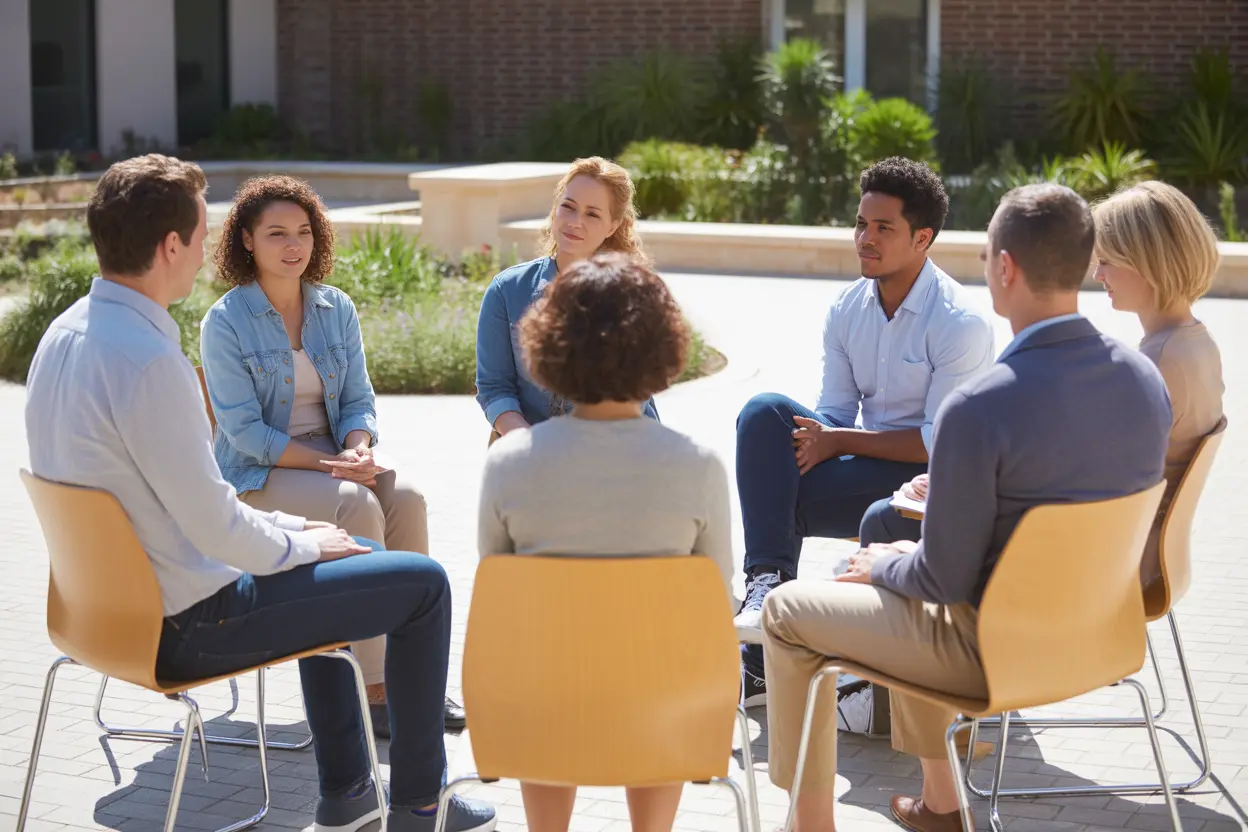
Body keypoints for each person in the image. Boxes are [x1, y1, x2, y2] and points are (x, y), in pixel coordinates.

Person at [24, 154, 496, 832]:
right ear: (171, 245)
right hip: (187, 623)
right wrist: (303, 539)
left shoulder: (64, 337)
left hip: (99, 619)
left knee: (333, 566)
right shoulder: (150, 362)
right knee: (422, 584)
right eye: (202, 228)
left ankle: (351, 795)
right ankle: (423, 805)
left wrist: (306, 540)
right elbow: (219, 529)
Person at [760, 184, 1171, 832]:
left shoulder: (980, 408)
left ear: (1004, 267)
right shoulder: (1145, 379)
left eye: (985, 257)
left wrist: (884, 564)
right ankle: (941, 804)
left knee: (788, 611)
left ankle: (809, 824)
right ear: (1086, 265)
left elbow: (941, 581)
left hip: (994, 651)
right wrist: (907, 559)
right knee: (903, 569)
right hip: (1102, 637)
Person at [199, 175, 464, 736]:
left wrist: (357, 448)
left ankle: (414, 677)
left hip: (334, 459)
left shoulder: (334, 307)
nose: (293, 245)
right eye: (276, 234)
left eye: (302, 231)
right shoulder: (225, 321)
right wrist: (333, 467)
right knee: (355, 506)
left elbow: (359, 401)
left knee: (408, 497)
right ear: (246, 240)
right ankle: (373, 689)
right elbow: (244, 433)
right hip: (258, 474)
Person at [478, 253, 734, 832]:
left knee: (540, 663)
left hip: (542, 711)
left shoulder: (509, 464)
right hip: (666, 715)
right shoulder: (698, 465)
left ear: (549, 342)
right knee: (667, 666)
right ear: (663, 344)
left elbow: (501, 599)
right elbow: (716, 601)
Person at [733, 157, 995, 706]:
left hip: (928, 490)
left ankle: (759, 662)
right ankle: (766, 588)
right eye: (860, 224)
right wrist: (818, 439)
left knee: (775, 501)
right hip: (867, 473)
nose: (864, 239)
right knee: (764, 413)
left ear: (922, 238)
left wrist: (839, 441)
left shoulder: (959, 323)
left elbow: (936, 443)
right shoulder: (848, 307)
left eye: (883, 228)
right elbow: (833, 412)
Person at [1093, 181, 1225, 588]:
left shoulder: (1161, 360)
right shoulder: (1195, 342)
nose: (1097, 274)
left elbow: (1097, 476)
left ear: (1146, 262)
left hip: (1124, 559)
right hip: (1156, 551)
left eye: (1106, 261)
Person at [475, 157, 658, 437]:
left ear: (613, 226)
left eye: (592, 214)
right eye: (568, 207)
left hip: (618, 449)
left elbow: (635, 395)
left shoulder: (633, 297)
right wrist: (528, 444)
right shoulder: (507, 290)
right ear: (555, 208)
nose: (575, 222)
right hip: (526, 449)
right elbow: (495, 387)